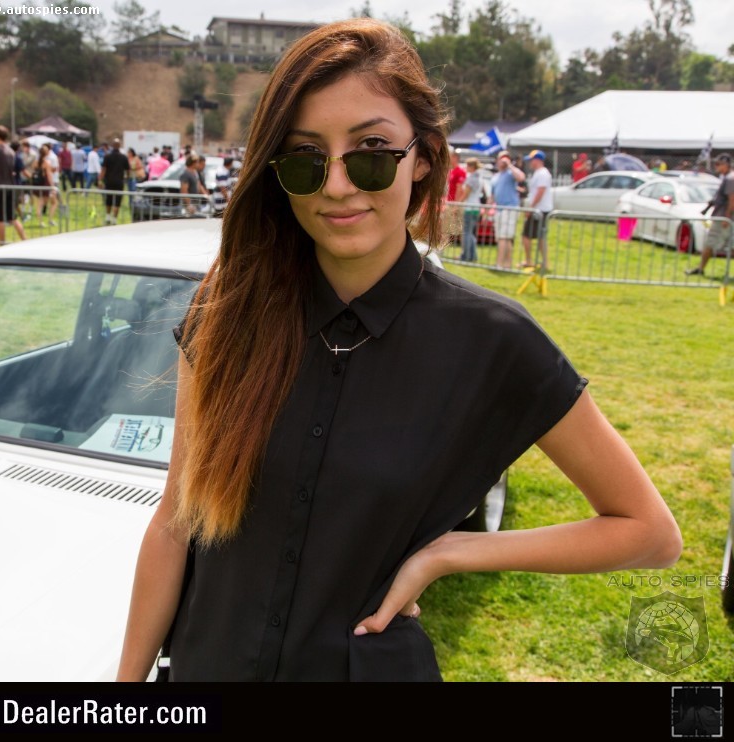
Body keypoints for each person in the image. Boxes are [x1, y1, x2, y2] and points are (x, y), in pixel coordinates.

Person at [116, 18, 680, 683]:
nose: (336, 185)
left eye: (371, 151)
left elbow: (648, 530)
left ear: (425, 158)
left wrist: (449, 552)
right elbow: (175, 524)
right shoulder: (228, 313)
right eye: (305, 157)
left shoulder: (493, 340)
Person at [686, 153, 734, 276]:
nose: (716, 167)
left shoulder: (730, 179)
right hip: (725, 217)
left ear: (726, 165)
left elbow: (732, 199)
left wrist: (727, 217)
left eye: (718, 164)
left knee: (710, 243)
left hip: (724, 218)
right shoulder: (727, 178)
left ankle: (700, 268)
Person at [0, 125, 26, 244]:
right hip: (10, 186)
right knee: (12, 217)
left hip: (0, 186)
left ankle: (2, 243)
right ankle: (25, 240)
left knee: (0, 218)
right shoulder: (11, 151)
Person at [490, 151, 525, 269]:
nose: (503, 161)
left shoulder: (511, 173)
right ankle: (507, 264)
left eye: (506, 158)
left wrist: (510, 165)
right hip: (499, 209)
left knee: (504, 237)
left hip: (510, 208)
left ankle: (499, 264)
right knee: (504, 238)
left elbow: (521, 177)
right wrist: (486, 210)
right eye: (502, 158)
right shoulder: (495, 177)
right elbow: (492, 195)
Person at [520, 150, 553, 270]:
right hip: (539, 209)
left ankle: (530, 260)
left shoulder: (542, 174)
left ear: (537, 160)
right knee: (540, 237)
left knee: (526, 235)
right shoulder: (539, 173)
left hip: (539, 210)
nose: (529, 162)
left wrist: (531, 208)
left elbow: (540, 192)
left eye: (531, 160)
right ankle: (544, 262)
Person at [100, 138, 130, 225]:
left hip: (109, 181)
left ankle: (108, 217)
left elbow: (103, 169)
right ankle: (114, 219)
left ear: (112, 146)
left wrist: (100, 180)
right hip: (119, 182)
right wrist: (126, 178)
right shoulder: (124, 157)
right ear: (119, 146)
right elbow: (128, 170)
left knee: (108, 199)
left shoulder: (107, 156)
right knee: (117, 201)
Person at [458, 157, 482, 262]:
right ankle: (472, 256)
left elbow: (466, 194)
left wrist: (458, 204)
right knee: (470, 232)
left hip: (469, 208)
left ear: (472, 166)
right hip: (475, 207)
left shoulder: (472, 178)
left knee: (466, 233)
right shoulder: (479, 177)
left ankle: (466, 255)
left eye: (467, 165)